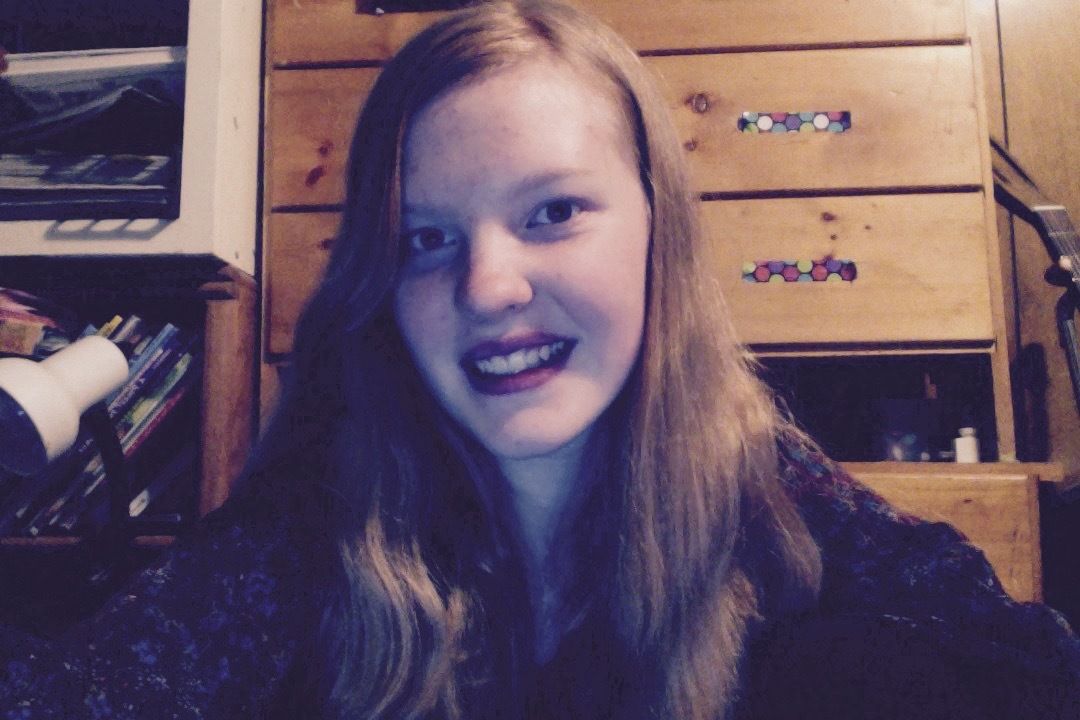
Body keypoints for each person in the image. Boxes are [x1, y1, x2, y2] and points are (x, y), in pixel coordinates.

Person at [3, 1, 1080, 718]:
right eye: (426, 237)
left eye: (553, 212)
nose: (487, 287)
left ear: (659, 229)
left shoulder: (769, 496)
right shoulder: (312, 532)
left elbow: (1025, 669)